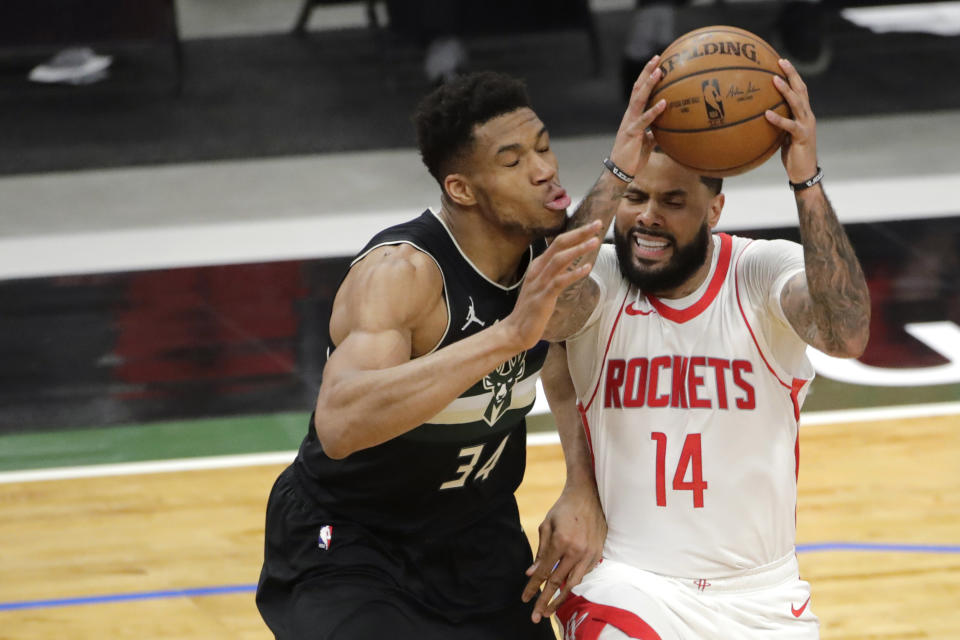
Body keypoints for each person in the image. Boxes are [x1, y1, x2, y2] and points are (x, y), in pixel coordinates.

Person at [256, 60, 669, 639]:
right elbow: (341, 423)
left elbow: (564, 361)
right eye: (514, 161)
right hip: (354, 540)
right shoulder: (403, 272)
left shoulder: (542, 259)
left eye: (545, 147)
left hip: (476, 539)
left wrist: (582, 486)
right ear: (461, 189)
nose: (545, 170)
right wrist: (506, 337)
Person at [543, 58, 871, 638]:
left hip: (762, 598)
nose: (647, 216)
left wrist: (806, 182)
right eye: (635, 196)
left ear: (714, 210)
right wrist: (614, 168)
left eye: (672, 201)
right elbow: (542, 314)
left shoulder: (760, 271)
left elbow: (845, 334)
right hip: (628, 580)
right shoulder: (598, 277)